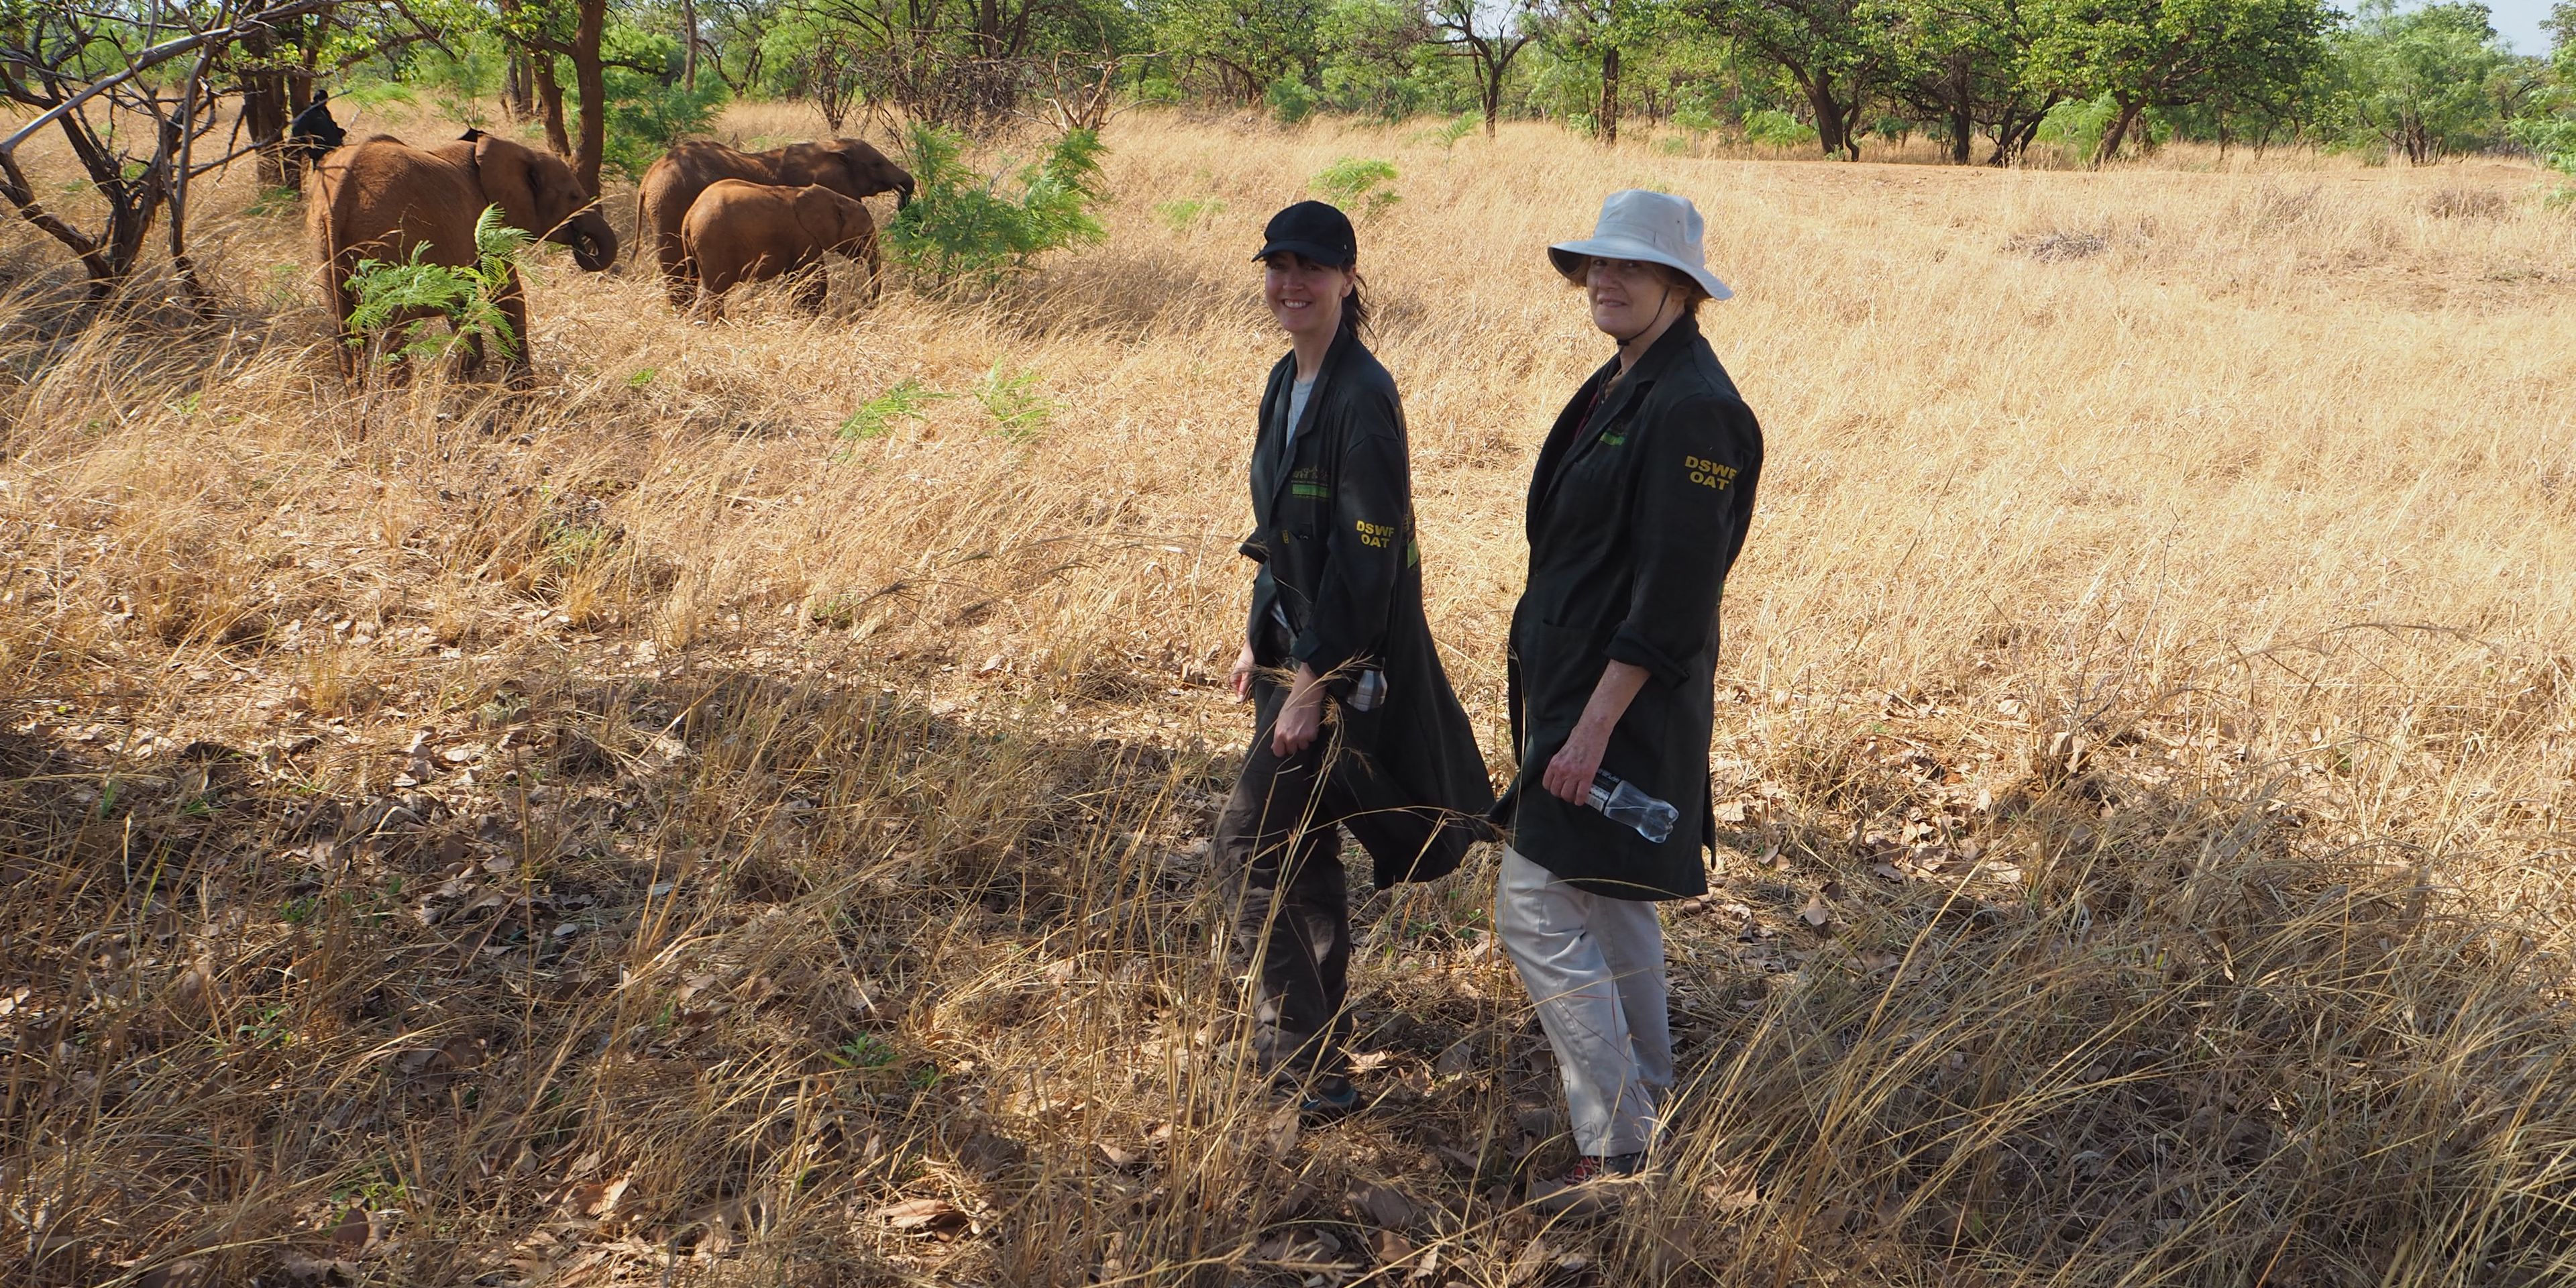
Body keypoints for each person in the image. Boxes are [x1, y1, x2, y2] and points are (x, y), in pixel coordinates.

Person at [1496, 190, 1763, 1215]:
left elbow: (1676, 595)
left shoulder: (1694, 405)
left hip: (1622, 709)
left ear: (1681, 287)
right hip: (1576, 688)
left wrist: (1592, 728)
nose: (1607, 282)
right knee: (1610, 903)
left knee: (1531, 904)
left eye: (1633, 270)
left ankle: (1612, 1150)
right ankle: (1645, 1097)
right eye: (1597, 267)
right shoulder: (1626, 381)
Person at [1219, 201, 1493, 1117]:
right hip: (1292, 658)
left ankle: (1297, 1068)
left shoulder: (1364, 396)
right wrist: (1254, 639)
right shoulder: (1282, 381)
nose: (1290, 284)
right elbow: (1282, 534)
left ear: (1348, 279)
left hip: (1340, 671)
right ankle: (1318, 1067)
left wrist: (1311, 685)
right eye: (1277, 266)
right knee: (1301, 849)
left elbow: (1367, 559)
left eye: (1311, 268)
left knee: (1250, 846)